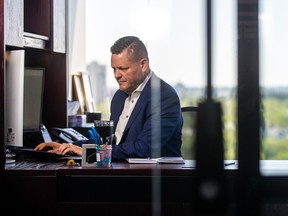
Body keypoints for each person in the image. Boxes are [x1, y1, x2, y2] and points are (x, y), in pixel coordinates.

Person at [35, 36, 183, 160]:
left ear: (143, 64)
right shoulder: (119, 96)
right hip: (119, 171)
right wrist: (68, 146)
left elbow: (144, 150)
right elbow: (107, 143)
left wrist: (90, 153)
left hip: (150, 180)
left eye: (123, 69)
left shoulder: (164, 97)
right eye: (114, 68)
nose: (116, 75)